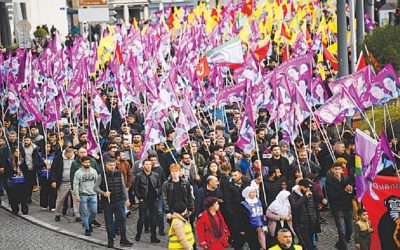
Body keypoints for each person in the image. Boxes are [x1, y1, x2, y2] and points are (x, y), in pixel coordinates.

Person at [94, 159, 133, 248]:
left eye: (113, 165)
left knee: (122, 219)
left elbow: (123, 187)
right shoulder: (102, 175)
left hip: (119, 200)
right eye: (110, 165)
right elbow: (95, 188)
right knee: (109, 221)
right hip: (107, 202)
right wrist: (103, 193)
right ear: (106, 165)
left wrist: (127, 199)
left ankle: (123, 238)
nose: (112, 166)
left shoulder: (119, 174)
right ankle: (110, 239)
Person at [326, 162, 354, 250]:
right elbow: (331, 196)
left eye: (339, 169)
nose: (337, 171)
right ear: (332, 170)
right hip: (337, 208)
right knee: (341, 230)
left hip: (348, 207)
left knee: (350, 229)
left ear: (342, 170)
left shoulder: (346, 178)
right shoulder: (329, 181)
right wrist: (344, 191)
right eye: (336, 169)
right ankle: (344, 247)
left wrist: (350, 190)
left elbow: (351, 192)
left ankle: (340, 243)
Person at [133, 159, 161, 243]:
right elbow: (135, 188)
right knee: (142, 218)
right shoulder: (139, 175)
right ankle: (138, 234)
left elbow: (159, 186)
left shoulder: (155, 175)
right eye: (147, 164)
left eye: (150, 164)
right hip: (144, 200)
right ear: (143, 166)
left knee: (153, 219)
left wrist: (157, 196)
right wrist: (140, 198)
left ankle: (153, 237)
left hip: (153, 200)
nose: (148, 166)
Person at [221, 168, 250, 250]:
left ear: (240, 175)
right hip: (235, 212)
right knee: (237, 234)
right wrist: (231, 212)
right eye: (232, 175)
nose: (233, 177)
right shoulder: (228, 185)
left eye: (235, 175)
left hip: (246, 211)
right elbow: (227, 200)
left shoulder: (246, 184)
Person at [51, 147, 81, 222]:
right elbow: (53, 169)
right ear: (66, 153)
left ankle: (77, 215)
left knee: (76, 199)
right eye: (69, 156)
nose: (70, 157)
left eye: (71, 155)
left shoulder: (76, 158)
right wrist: (53, 180)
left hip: (73, 182)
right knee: (60, 199)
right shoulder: (59, 157)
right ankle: (57, 214)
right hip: (63, 182)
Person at [289, 179, 318, 250]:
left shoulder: (309, 193)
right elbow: (295, 206)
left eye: (308, 187)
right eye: (306, 187)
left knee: (306, 244)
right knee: (307, 245)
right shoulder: (293, 195)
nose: (307, 189)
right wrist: (304, 197)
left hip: (310, 223)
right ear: (300, 186)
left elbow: (312, 207)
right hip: (300, 224)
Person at [73, 156, 98, 236]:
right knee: (84, 213)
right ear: (82, 163)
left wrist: (99, 192)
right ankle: (87, 228)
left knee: (94, 211)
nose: (87, 164)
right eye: (86, 162)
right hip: (83, 195)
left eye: (88, 162)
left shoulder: (94, 171)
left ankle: (89, 222)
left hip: (93, 194)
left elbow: (97, 182)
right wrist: (76, 195)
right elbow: (75, 184)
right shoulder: (78, 172)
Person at [5, 147, 29, 215]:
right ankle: (15, 210)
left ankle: (24, 209)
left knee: (23, 197)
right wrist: (14, 171)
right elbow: (7, 172)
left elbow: (26, 171)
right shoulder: (9, 161)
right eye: (16, 152)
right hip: (13, 181)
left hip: (22, 181)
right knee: (13, 197)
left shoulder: (22, 160)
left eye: (18, 152)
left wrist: (21, 165)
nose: (17, 153)